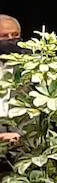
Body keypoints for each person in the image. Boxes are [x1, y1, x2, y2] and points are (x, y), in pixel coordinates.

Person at [0, 14, 19, 145]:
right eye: (5, 36)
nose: (11, 39)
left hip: (23, 137)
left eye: (15, 35)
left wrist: (21, 135)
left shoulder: (33, 68)